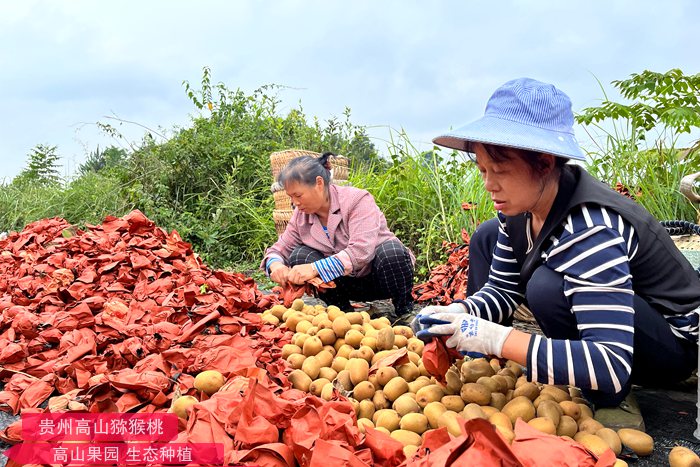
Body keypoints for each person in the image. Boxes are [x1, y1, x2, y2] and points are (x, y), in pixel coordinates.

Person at [414, 78, 699, 429]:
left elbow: (609, 360)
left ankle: (613, 398)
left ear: (545, 162)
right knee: (487, 235)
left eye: (500, 171)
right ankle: (558, 362)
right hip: (623, 329)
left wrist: (496, 338)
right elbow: (503, 291)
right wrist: (460, 313)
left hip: (666, 344)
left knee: (546, 287)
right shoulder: (517, 212)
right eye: (483, 170)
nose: (488, 184)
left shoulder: (591, 226)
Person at [262, 151, 415, 320]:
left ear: (319, 183)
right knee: (300, 255)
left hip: (381, 278)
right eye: (291, 197)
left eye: (298, 195)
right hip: (343, 284)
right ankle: (341, 312)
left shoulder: (357, 200)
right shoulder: (301, 216)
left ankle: (404, 309)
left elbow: (360, 251)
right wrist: (275, 265)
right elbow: (280, 248)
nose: (295, 203)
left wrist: (314, 269)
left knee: (392, 252)